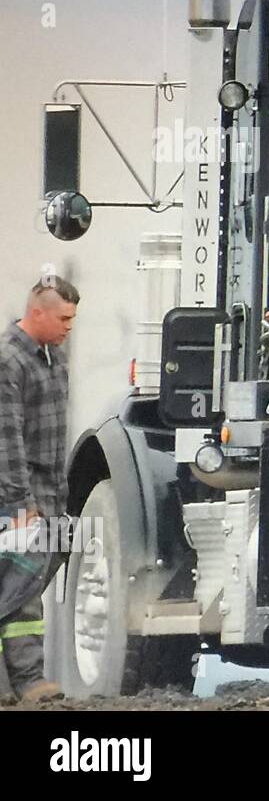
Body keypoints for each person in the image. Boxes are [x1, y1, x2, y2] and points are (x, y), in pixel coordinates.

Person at [0, 275, 78, 702]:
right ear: (37, 313)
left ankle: (16, 682)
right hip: (16, 496)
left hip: (46, 494)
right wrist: (19, 502)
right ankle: (26, 681)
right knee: (20, 590)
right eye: (63, 318)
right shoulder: (9, 361)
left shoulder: (53, 359)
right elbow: (5, 437)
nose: (69, 327)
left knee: (22, 588)